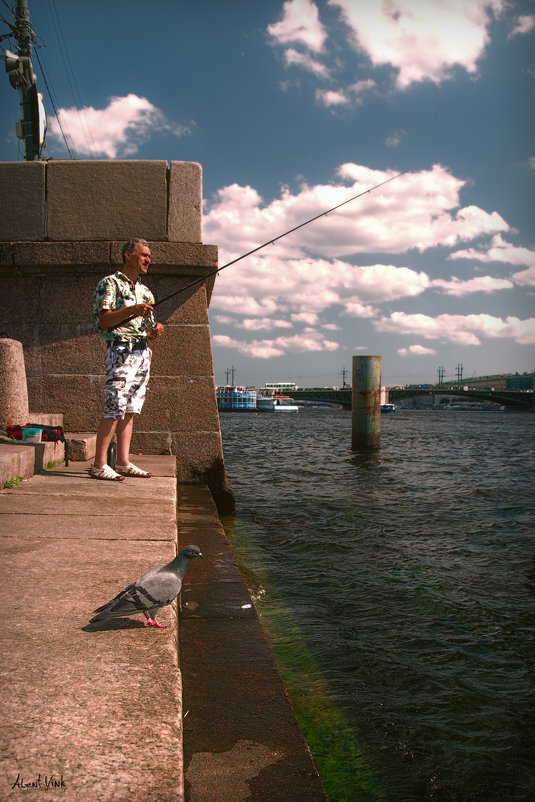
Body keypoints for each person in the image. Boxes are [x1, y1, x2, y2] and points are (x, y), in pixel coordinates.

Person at [90, 238, 164, 481]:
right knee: (114, 405)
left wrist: (154, 331)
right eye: (143, 255)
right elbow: (105, 320)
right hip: (120, 349)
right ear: (127, 255)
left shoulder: (145, 291)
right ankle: (99, 464)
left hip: (142, 352)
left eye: (149, 256)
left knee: (131, 408)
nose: (148, 260)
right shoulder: (109, 283)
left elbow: (146, 327)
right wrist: (133, 309)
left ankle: (122, 462)